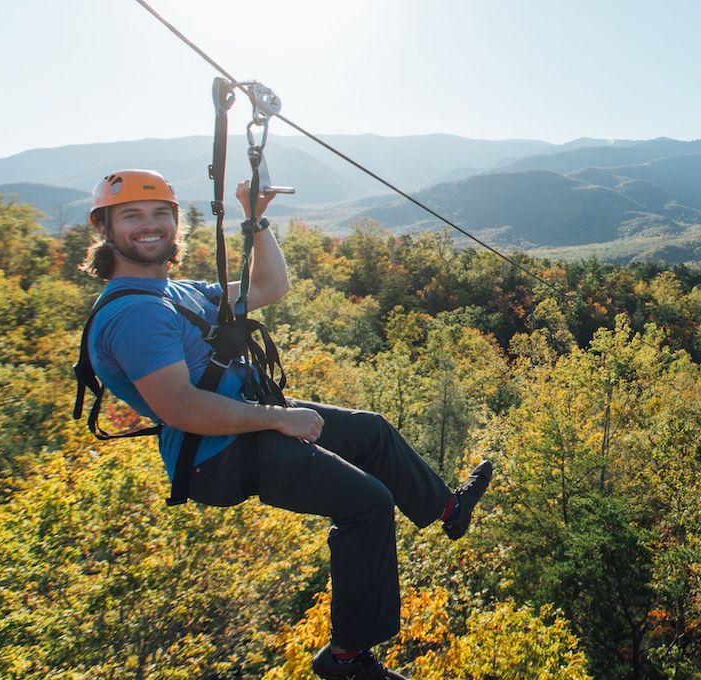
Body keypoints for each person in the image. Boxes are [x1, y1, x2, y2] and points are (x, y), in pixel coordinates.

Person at [78, 169, 492, 679]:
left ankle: (447, 508)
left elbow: (270, 284)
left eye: (161, 213)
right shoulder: (135, 315)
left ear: (176, 223)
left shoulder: (176, 293)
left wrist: (256, 218)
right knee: (367, 505)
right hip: (217, 453)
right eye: (132, 216)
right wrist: (279, 419)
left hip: (242, 423)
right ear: (105, 228)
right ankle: (348, 660)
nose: (150, 225)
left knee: (371, 430)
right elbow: (182, 408)